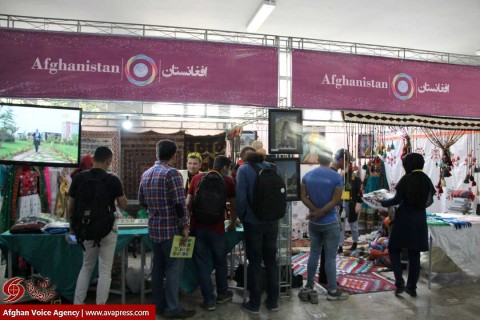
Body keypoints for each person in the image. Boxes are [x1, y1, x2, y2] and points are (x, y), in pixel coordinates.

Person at [138, 139, 195, 319]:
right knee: (173, 269)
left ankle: (158, 306)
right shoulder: (173, 174)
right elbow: (180, 204)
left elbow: (142, 201)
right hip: (171, 230)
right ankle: (173, 308)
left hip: (154, 229)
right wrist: (185, 226)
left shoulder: (146, 174)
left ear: (157, 153)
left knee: (157, 268)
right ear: (174, 155)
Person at [68, 146, 127, 304]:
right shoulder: (113, 179)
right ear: (108, 161)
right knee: (105, 270)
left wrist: (72, 225)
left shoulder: (79, 178)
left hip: (86, 228)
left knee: (86, 266)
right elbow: (123, 204)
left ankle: (77, 304)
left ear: (93, 159)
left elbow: (70, 205)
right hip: (107, 229)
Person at [380, 152, 435, 298]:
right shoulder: (426, 180)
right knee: (414, 254)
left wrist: (382, 202)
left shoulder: (406, 179)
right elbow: (429, 200)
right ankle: (412, 287)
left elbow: (397, 199)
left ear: (408, 164)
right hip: (419, 221)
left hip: (404, 219)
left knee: (393, 249)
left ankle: (399, 281)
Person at [186, 155, 237, 311]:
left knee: (201, 263)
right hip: (217, 228)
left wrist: (190, 220)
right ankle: (222, 294)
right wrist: (233, 222)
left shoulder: (197, 178)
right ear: (224, 168)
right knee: (220, 261)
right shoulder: (228, 181)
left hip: (198, 227)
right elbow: (234, 206)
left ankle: (209, 301)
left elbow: (187, 203)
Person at [301, 147, 349, 301]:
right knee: (330, 258)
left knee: (313, 253)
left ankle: (309, 285)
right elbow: (336, 200)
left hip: (315, 222)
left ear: (317, 159)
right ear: (331, 160)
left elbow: (303, 197)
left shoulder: (307, 176)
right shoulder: (336, 177)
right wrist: (322, 212)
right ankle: (332, 291)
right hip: (329, 221)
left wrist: (315, 211)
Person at [236, 149, 280, 314]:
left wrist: (242, 216)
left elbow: (240, 198)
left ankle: (254, 304)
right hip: (272, 221)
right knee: (271, 260)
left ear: (245, 159)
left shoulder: (244, 170)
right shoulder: (273, 167)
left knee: (254, 262)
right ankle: (273, 301)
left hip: (253, 222)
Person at [333, 149, 362, 253]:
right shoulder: (339, 177)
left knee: (353, 225)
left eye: (349, 164)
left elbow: (360, 191)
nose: (347, 166)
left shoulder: (356, 178)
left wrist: (359, 202)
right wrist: (342, 173)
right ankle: (340, 245)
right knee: (341, 225)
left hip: (352, 203)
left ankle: (355, 242)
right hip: (342, 203)